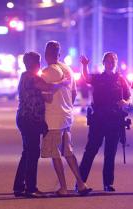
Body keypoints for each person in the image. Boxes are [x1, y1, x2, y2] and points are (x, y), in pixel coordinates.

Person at [40, 41, 92, 196]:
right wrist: (66, 104)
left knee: (55, 154)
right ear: (59, 54)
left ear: (46, 54)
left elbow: (45, 95)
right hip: (67, 117)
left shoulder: (47, 72)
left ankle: (63, 188)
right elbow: (74, 93)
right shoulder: (68, 69)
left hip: (53, 119)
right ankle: (81, 184)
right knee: (68, 152)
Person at [13, 51, 66, 198]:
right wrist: (63, 82)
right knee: (33, 153)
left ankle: (19, 186)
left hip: (24, 118)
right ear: (35, 63)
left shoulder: (25, 76)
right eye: (38, 62)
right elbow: (48, 87)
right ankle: (31, 188)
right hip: (30, 120)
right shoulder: (32, 77)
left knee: (27, 152)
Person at [79, 52, 131, 192]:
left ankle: (108, 183)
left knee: (110, 152)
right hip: (99, 119)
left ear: (116, 62)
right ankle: (80, 182)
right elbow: (87, 78)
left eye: (113, 60)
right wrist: (84, 65)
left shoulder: (121, 79)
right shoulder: (98, 78)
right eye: (108, 60)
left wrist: (125, 102)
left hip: (114, 120)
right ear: (103, 63)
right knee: (91, 150)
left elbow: (129, 97)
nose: (111, 62)